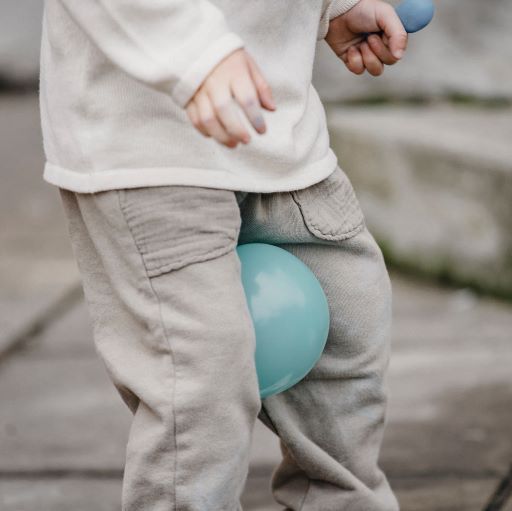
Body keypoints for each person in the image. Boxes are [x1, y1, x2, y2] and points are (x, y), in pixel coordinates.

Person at [40, 0, 408, 509]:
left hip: (279, 130)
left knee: (350, 327)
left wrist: (333, 7)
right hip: (148, 143)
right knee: (201, 382)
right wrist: (196, 53)